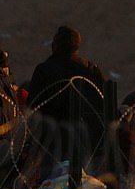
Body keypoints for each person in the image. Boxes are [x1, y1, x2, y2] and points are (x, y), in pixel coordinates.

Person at [27, 26, 106, 163]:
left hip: (53, 145)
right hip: (89, 144)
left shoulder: (45, 71)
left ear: (55, 45)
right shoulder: (91, 71)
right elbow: (105, 105)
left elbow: (32, 108)